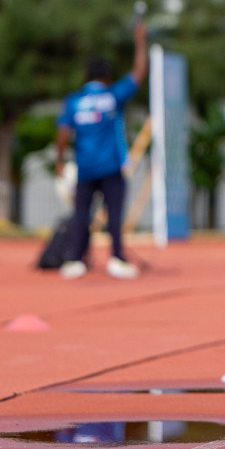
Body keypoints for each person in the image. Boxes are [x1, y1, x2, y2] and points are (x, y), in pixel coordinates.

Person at [54, 20, 147, 280]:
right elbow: (138, 73)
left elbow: (63, 132)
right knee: (114, 216)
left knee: (81, 214)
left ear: (86, 76)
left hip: (84, 167)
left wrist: (60, 161)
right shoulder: (111, 97)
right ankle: (116, 258)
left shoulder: (74, 101)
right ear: (107, 77)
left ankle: (74, 260)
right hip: (110, 166)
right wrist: (140, 40)